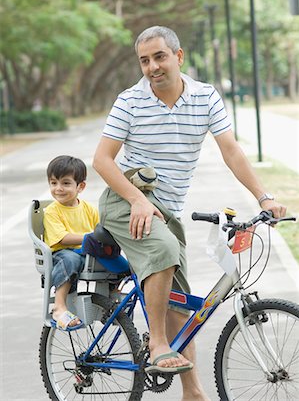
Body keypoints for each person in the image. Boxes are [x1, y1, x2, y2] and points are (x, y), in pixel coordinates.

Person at [92, 26, 286, 401]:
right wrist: (137, 199)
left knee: (180, 303)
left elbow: (231, 150)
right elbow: (102, 160)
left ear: (179, 57)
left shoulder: (205, 96)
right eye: (144, 61)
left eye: (159, 57)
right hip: (125, 200)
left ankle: (193, 392)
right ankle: (158, 345)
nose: (152, 67)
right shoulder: (130, 101)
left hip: (167, 211)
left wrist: (264, 197)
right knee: (163, 252)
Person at [43, 155, 99, 331]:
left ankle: (112, 296)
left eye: (65, 183)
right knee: (71, 260)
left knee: (114, 259)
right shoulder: (52, 211)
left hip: (85, 251)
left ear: (80, 186)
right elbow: (62, 238)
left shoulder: (89, 209)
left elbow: (100, 231)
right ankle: (59, 306)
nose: (58, 189)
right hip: (61, 253)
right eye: (53, 183)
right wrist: (90, 237)